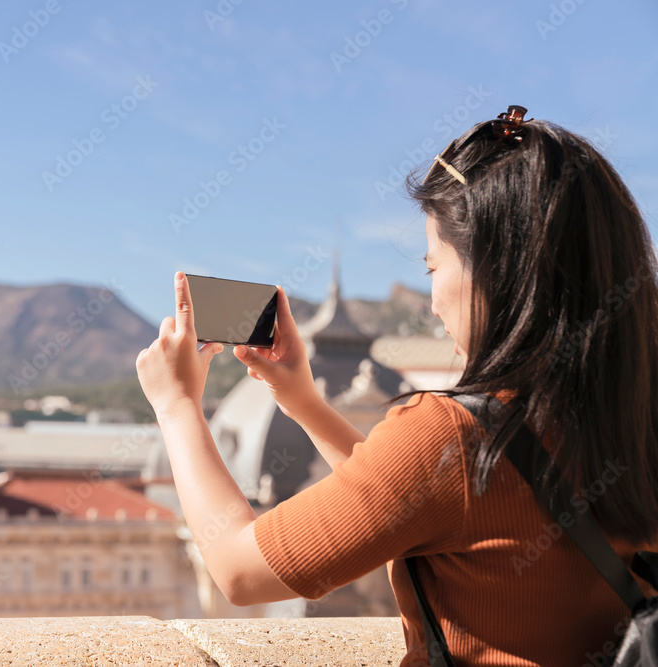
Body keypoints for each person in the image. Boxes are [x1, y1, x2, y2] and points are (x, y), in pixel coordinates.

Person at [135, 105, 658, 665]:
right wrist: (305, 403)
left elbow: (238, 572)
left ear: (493, 269)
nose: (432, 303)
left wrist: (177, 404)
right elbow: (413, 497)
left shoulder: (452, 436)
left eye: (434, 269)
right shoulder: (631, 416)